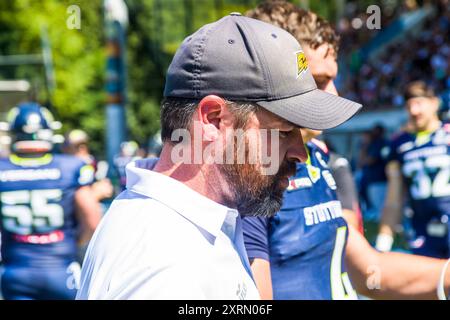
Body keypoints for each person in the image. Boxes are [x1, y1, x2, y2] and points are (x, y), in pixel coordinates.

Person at [76, 13, 361, 299]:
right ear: (213, 119)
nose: (301, 154)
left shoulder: (193, 222)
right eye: (285, 131)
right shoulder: (168, 265)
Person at [242, 0, 450, 300]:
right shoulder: (249, 172)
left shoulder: (318, 156)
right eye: (319, 81)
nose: (335, 94)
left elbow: (368, 271)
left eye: (333, 79)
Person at [0, 102, 103, 299]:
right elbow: (92, 220)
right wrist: (73, 242)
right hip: (61, 269)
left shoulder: (3, 169)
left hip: (16, 272)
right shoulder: (71, 166)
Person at [377, 81, 450, 258]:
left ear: (434, 102)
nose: (414, 111)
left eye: (418, 103)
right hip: (423, 232)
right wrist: (383, 242)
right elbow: (394, 198)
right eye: (409, 105)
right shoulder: (399, 143)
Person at [63, 129, 114, 203]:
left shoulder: (90, 161)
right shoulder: (63, 163)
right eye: (77, 146)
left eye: (84, 145)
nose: (82, 148)